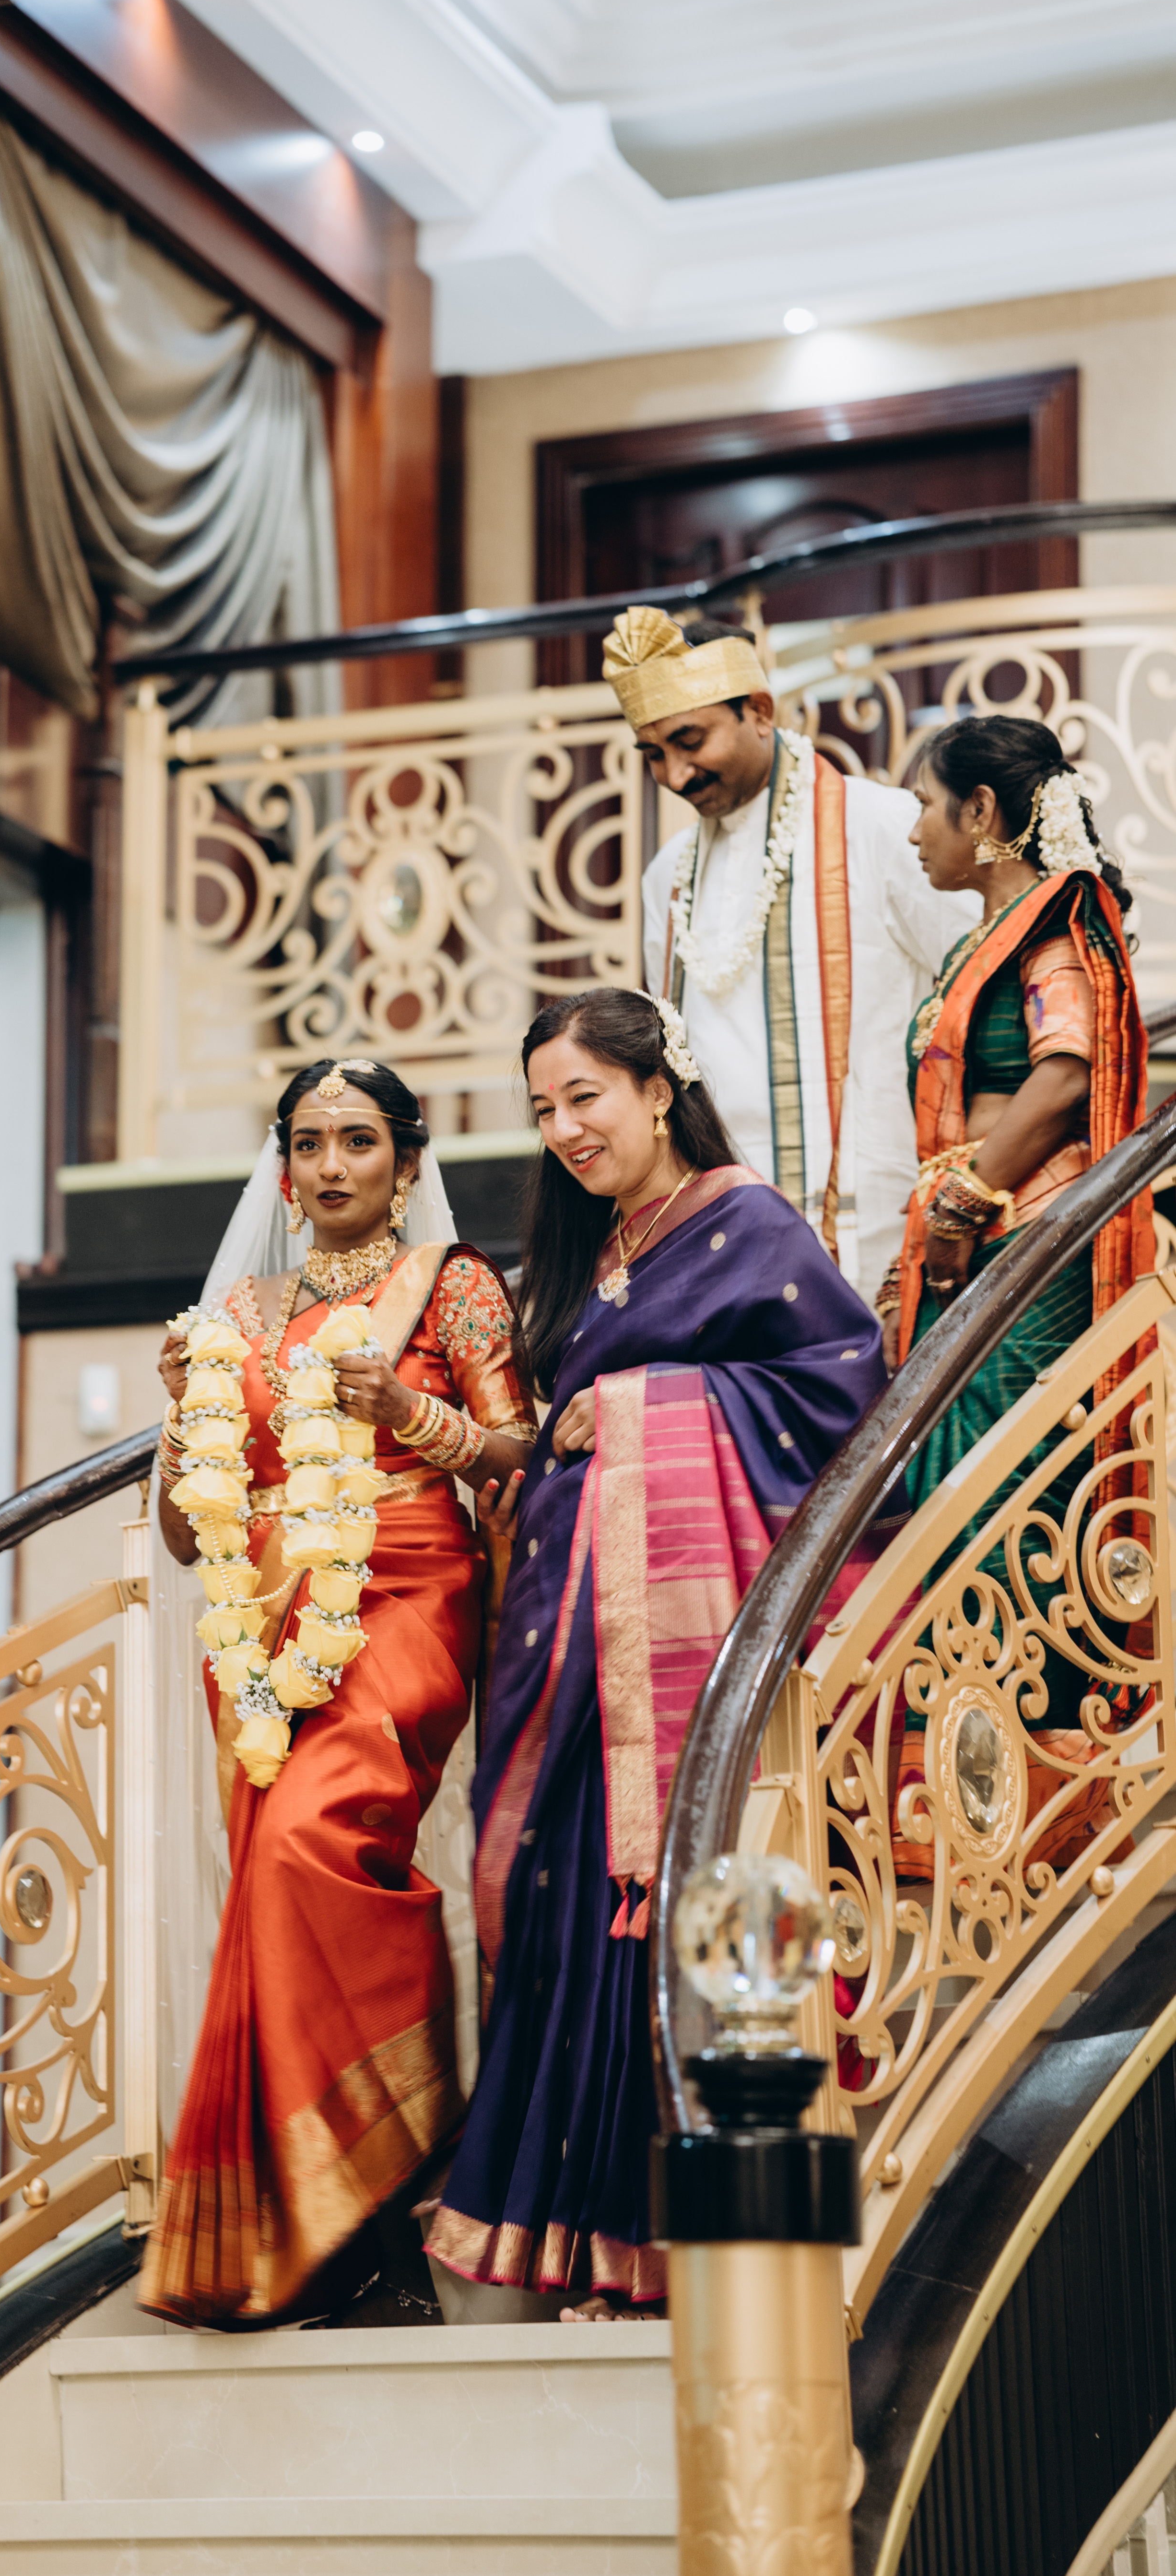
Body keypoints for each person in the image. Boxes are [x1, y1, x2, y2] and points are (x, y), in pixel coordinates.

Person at [424, 989, 887, 2317]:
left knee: (687, 1912)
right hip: (572, 1647)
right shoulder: (596, 1250)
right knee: (571, 1922)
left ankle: (705, 2263)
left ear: (658, 1089)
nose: (566, 1129)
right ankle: (588, 2247)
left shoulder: (749, 1227)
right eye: (544, 1110)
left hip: (689, 1660)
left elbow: (840, 1400)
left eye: (587, 1097)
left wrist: (640, 1407)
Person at [139, 1056, 534, 2328]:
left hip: (405, 1589)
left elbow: (523, 1446)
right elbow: (186, 1533)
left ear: (408, 1162)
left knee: (314, 1846)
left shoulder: (453, 1283)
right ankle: (311, 2231)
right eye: (307, 1143)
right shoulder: (238, 1313)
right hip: (257, 1630)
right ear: (282, 1170)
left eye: (358, 1140)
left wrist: (411, 1412)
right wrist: (180, 1413)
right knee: (271, 1891)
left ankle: (397, 2165)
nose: (330, 1166)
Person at [885, 717, 1152, 1861]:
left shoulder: (1053, 925)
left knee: (1008, 1490)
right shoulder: (987, 935)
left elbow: (1066, 1071)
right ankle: (979, 1772)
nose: (914, 831)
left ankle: (1045, 1777)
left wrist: (965, 1200)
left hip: (1030, 1242)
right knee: (960, 1489)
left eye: (926, 805)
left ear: (983, 813)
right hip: (986, 1242)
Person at [608, 603, 970, 1304]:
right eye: (653, 754)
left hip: (874, 1218)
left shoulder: (884, 826)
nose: (676, 775)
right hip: (722, 1233)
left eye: (690, 740)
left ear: (760, 711)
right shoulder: (668, 874)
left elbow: (981, 986)